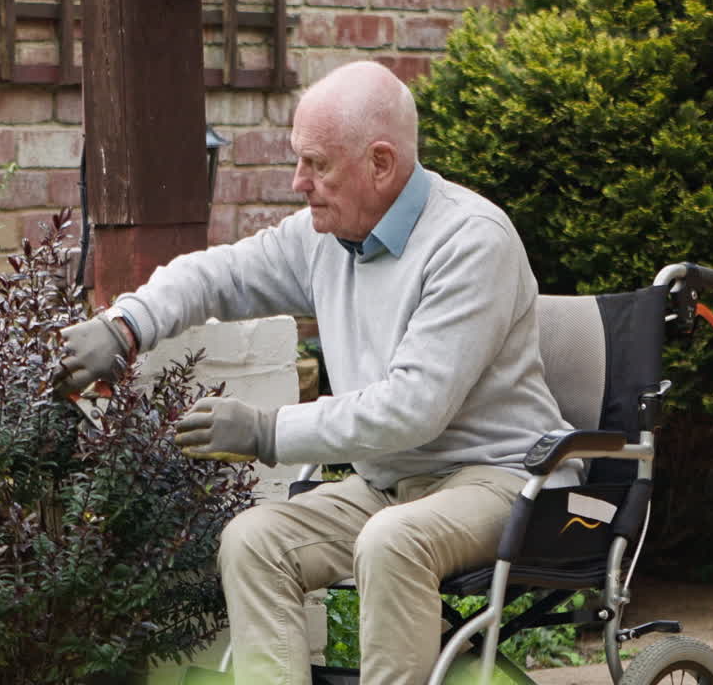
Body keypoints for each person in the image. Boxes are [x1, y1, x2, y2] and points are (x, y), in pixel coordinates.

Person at [57, 60, 575, 685]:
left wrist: (266, 431)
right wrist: (125, 326)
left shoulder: (470, 241)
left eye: (317, 163)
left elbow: (413, 407)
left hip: (497, 481)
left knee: (393, 541)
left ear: (380, 164)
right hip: (390, 485)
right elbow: (220, 274)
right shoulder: (325, 236)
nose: (299, 182)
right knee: (254, 540)